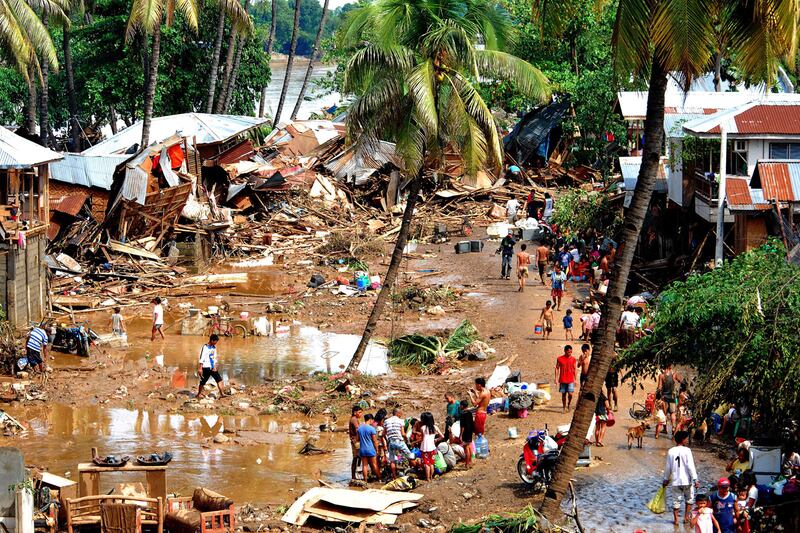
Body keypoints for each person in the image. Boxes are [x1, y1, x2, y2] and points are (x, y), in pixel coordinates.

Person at [663, 431, 700, 526]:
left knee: (676, 500)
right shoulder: (687, 450)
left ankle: (675, 520)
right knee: (689, 499)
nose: (687, 440)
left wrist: (666, 479)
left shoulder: (671, 451)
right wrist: (695, 479)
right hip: (687, 480)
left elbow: (668, 467)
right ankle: (686, 517)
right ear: (683, 440)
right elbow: (690, 466)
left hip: (676, 481)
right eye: (687, 439)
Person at [384, 407, 416, 478]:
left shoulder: (386, 421)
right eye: (400, 414)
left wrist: (387, 441)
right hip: (399, 441)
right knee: (410, 456)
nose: (401, 415)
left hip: (391, 441)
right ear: (398, 413)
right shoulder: (400, 421)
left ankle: (394, 476)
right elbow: (403, 434)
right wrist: (407, 440)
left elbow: (384, 433)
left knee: (392, 460)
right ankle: (418, 471)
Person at [197, 334, 226, 399]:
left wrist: (215, 366)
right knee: (203, 381)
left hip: (212, 368)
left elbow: (214, 358)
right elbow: (202, 358)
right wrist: (200, 368)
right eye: (215, 341)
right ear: (212, 340)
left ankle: (222, 394)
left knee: (219, 380)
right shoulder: (205, 347)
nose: (216, 343)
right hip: (206, 367)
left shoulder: (214, 348)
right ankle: (199, 394)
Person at [418, 412, 442, 481]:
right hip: (432, 448)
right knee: (431, 463)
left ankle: (427, 478)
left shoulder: (423, 428)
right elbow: (442, 436)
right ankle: (431, 477)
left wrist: (416, 442)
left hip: (425, 448)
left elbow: (422, 439)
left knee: (426, 464)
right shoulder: (435, 427)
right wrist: (436, 440)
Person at [657, 364, 681, 432]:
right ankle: (673, 428)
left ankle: (665, 429)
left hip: (664, 397)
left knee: (665, 414)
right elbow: (680, 381)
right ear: (670, 367)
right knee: (672, 413)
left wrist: (657, 396)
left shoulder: (661, 375)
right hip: (673, 397)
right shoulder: (674, 374)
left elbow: (659, 387)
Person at [358, 414, 381, 481]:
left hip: (362, 449)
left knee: (364, 466)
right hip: (370, 449)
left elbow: (358, 439)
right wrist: (377, 450)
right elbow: (374, 440)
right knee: (374, 465)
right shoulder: (372, 429)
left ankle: (365, 480)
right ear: (370, 420)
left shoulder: (359, 428)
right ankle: (379, 479)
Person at [554, 345, 577, 413]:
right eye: (569, 352)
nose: (570, 353)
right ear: (565, 351)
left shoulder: (573, 359)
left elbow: (575, 369)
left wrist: (575, 380)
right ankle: (564, 407)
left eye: (571, 352)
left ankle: (569, 404)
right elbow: (557, 368)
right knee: (563, 394)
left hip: (571, 380)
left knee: (570, 394)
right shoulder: (559, 359)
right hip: (563, 379)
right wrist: (556, 378)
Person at [458, 400, 475, 468]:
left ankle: (467, 464)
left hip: (465, 432)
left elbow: (462, 426)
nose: (459, 406)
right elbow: (472, 422)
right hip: (470, 431)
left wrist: (460, 435)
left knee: (466, 448)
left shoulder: (462, 414)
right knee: (470, 446)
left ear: (462, 406)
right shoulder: (470, 413)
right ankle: (470, 461)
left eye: (460, 405)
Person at [349, 404, 364, 480]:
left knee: (357, 458)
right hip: (356, 441)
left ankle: (355, 474)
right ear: (355, 413)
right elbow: (358, 430)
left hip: (355, 441)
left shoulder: (353, 419)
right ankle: (354, 476)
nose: (361, 414)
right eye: (359, 412)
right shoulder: (354, 419)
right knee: (357, 458)